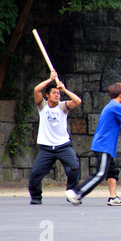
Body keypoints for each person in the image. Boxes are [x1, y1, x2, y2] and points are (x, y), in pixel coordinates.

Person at [66, 83, 121, 206]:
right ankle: (77, 193)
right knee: (100, 173)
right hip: (103, 146)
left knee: (112, 171)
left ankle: (113, 197)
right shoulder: (116, 106)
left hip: (107, 147)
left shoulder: (111, 106)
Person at [28, 70, 82, 205]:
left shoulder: (63, 106)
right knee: (35, 173)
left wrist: (64, 89)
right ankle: (36, 197)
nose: (57, 95)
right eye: (54, 93)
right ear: (47, 95)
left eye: (58, 93)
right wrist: (50, 79)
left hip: (63, 145)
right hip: (46, 147)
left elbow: (77, 101)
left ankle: (71, 193)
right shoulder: (42, 106)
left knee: (74, 167)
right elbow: (36, 90)